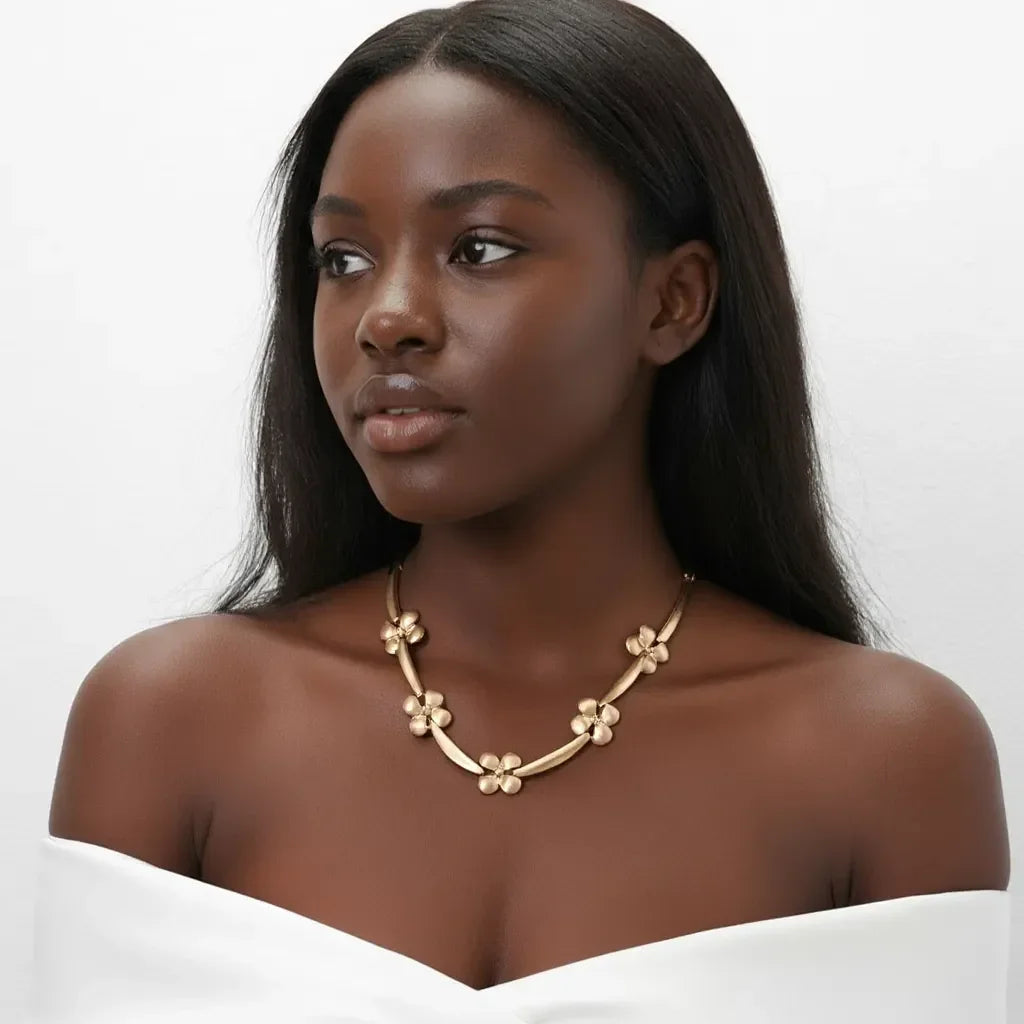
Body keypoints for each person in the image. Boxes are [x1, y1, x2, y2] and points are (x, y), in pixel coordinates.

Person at [30, 0, 1011, 1020]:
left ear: (672, 301)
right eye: (343, 259)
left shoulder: (884, 759)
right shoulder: (170, 720)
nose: (388, 318)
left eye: (482, 248)